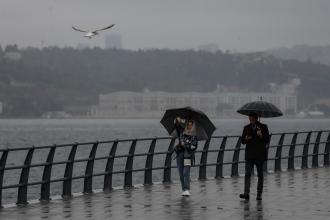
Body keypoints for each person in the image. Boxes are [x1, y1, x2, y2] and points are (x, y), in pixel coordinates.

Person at [239, 112, 270, 201]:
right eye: (250, 119)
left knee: (260, 175)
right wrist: (246, 139)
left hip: (260, 155)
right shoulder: (246, 128)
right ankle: (246, 193)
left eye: (252, 119)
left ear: (256, 118)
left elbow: (267, 140)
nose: (251, 120)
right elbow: (242, 141)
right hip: (249, 155)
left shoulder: (263, 127)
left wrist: (261, 136)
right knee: (247, 174)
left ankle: (259, 194)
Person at [174, 117, 198, 197]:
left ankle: (187, 189)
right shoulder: (182, 132)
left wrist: (186, 145)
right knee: (181, 173)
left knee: (185, 173)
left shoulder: (194, 136)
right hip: (180, 154)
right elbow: (177, 126)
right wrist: (178, 120)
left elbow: (194, 146)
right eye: (188, 125)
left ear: (193, 126)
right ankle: (183, 189)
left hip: (188, 155)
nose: (189, 126)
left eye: (191, 125)